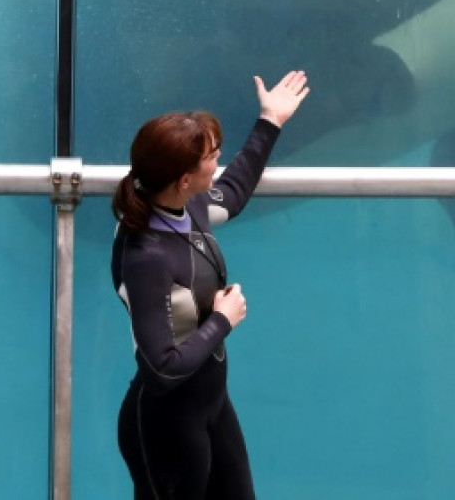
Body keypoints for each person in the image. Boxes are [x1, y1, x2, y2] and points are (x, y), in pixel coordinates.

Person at [111, 70, 310, 500]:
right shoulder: (146, 255)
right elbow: (162, 368)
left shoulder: (187, 208)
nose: (219, 163)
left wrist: (270, 121)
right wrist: (222, 320)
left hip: (212, 405)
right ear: (184, 179)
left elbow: (234, 190)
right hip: (167, 420)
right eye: (211, 158)